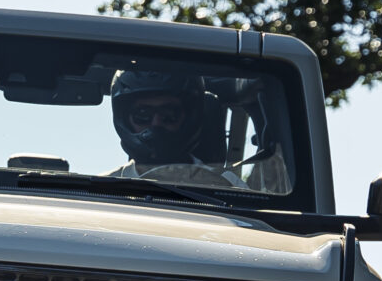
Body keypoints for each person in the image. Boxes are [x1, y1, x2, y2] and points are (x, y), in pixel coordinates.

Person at [106, 70, 287, 192]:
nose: (156, 123)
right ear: (125, 119)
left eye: (170, 114)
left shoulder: (230, 188)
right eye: (143, 115)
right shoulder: (103, 188)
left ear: (189, 117)